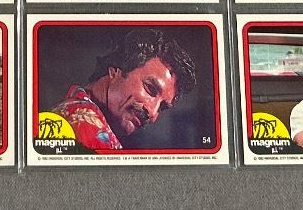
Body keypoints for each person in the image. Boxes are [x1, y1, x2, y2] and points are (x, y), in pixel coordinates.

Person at [55, 29, 197, 151]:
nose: (153, 113)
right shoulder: (87, 129)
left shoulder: (74, 112)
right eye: (150, 88)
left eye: (162, 107)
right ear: (115, 70)